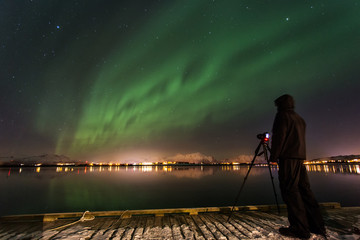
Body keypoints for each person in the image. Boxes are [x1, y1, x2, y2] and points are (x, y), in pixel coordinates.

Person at [269, 94, 326, 239]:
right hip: (300, 158)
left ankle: (300, 229)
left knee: (290, 191)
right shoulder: (299, 119)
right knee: (305, 190)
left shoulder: (282, 116)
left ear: (280, 104)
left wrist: (273, 157)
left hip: (288, 158)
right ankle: (317, 226)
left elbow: (279, 136)